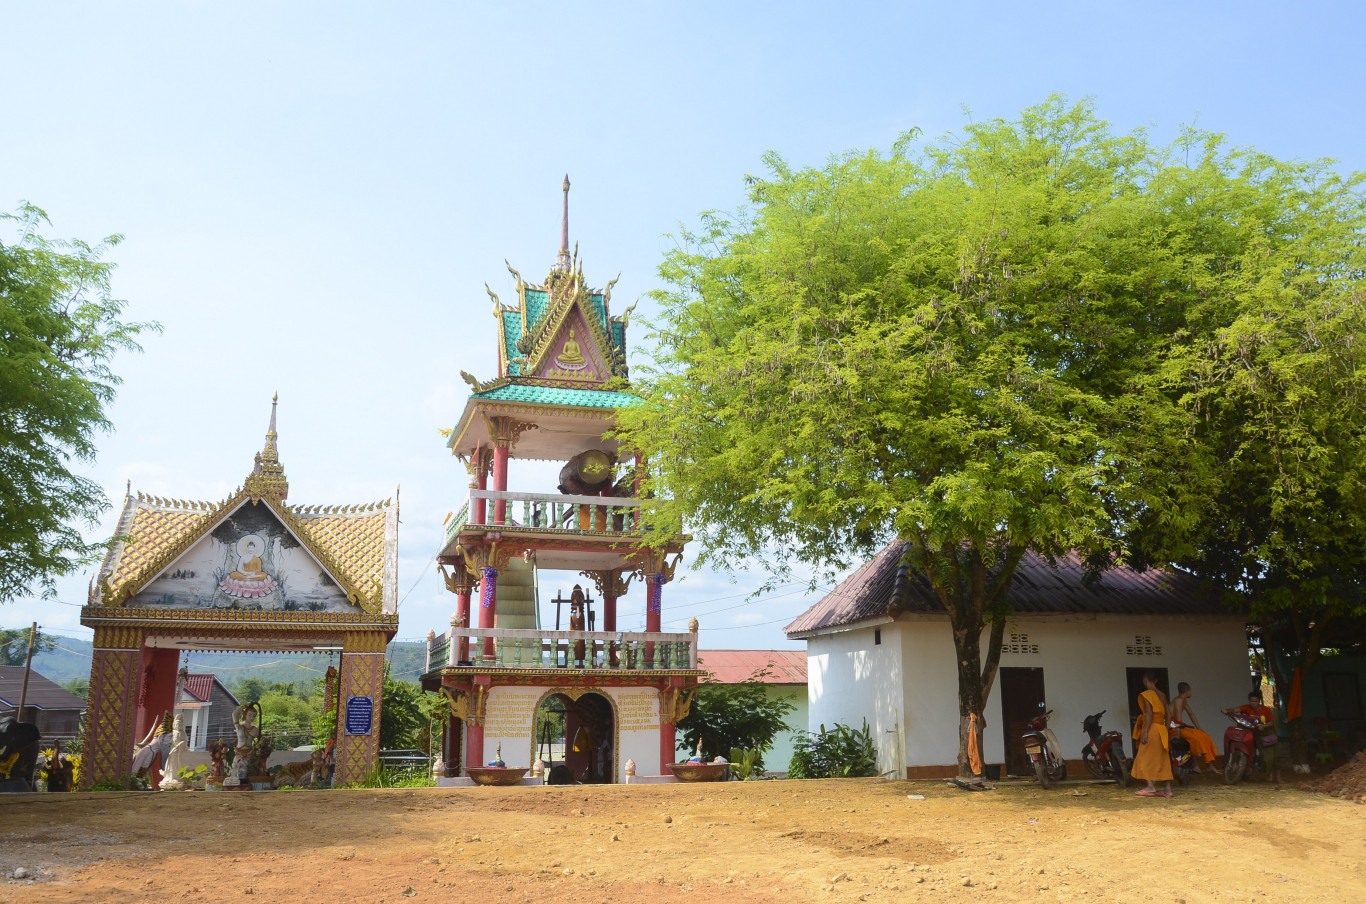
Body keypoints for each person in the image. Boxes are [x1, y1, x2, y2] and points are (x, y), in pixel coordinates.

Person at [1132, 671, 1174, 798]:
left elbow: (1149, 714)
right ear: (1155, 681)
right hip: (1162, 729)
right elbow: (1169, 714)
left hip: (1152, 729)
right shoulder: (1162, 694)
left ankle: (1150, 786)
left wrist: (1145, 732)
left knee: (1143, 756)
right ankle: (1168, 790)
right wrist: (1166, 729)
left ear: (1146, 681)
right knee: (1163, 759)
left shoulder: (1147, 694)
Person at [1231, 690, 1282, 784]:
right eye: (1251, 701)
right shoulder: (1246, 707)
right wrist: (1228, 710)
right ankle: (1266, 775)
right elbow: (1235, 710)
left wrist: (1264, 726)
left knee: (1274, 756)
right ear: (1249, 701)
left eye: (1255, 701)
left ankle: (1278, 777)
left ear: (1259, 701)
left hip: (1267, 734)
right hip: (1255, 734)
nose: (1253, 703)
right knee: (1263, 756)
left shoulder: (1266, 710)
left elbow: (1271, 722)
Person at [1171, 682, 1219, 772]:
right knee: (1195, 740)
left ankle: (1209, 765)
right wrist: (1177, 735)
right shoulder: (1178, 700)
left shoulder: (1183, 700)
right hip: (1174, 728)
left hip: (1181, 726)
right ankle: (1195, 765)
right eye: (1191, 690)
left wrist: (1199, 728)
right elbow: (1178, 718)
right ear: (1187, 691)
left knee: (1205, 736)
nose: (1191, 692)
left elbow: (1191, 714)